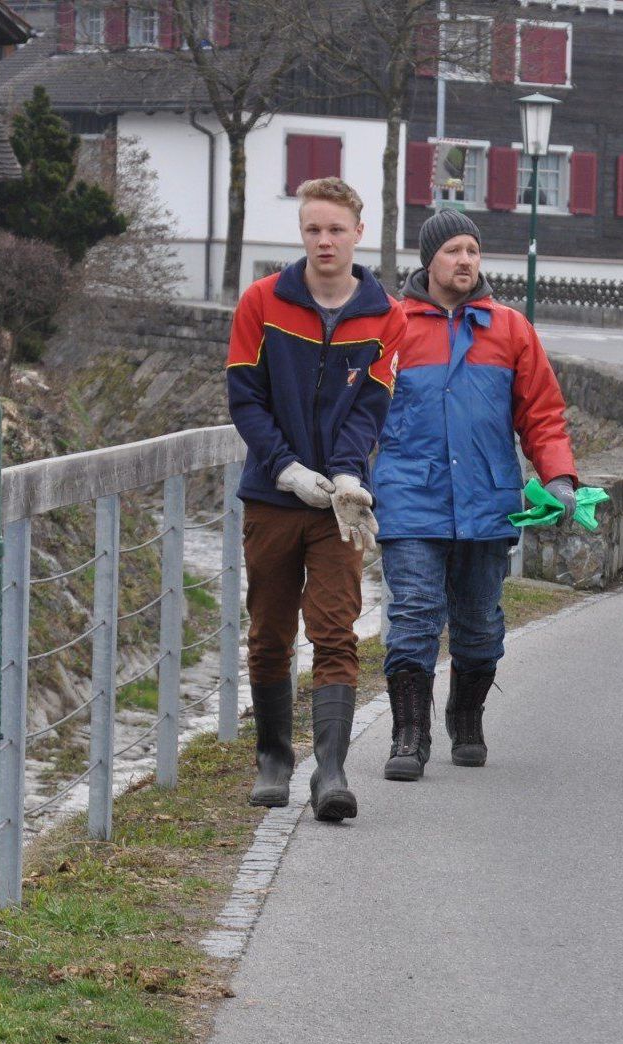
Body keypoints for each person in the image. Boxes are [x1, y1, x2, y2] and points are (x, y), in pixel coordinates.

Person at [372, 209, 579, 779]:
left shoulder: (509, 328)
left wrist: (558, 476)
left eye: (473, 250)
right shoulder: (390, 326)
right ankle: (409, 737)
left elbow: (542, 412)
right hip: (411, 495)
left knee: (479, 622)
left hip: (488, 497)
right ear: (429, 260)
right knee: (413, 613)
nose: (465, 260)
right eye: (453, 251)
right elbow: (357, 410)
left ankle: (466, 715)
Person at [227, 176, 403, 822]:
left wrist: (350, 474)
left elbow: (371, 405)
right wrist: (285, 468)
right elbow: (244, 399)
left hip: (338, 507)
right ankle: (274, 757)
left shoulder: (387, 315)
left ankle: (329, 772)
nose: (324, 240)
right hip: (273, 498)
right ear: (300, 233)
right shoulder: (262, 302)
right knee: (270, 632)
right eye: (312, 229)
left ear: (359, 233)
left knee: (335, 630)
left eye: (335, 229)